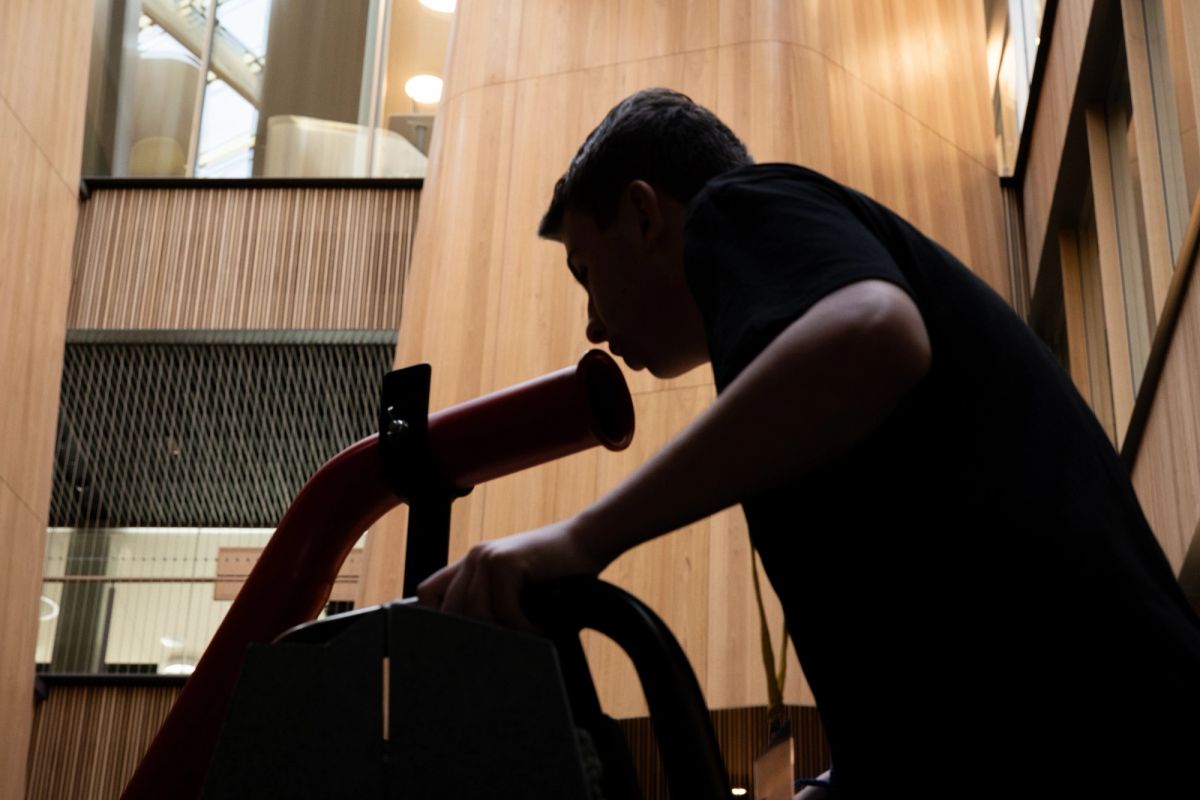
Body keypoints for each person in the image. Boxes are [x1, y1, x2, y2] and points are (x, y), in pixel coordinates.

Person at [417, 88, 1200, 797]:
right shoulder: (783, 382)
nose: (590, 321)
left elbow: (876, 333)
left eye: (586, 271)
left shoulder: (740, 204)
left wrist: (584, 536)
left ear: (646, 213)